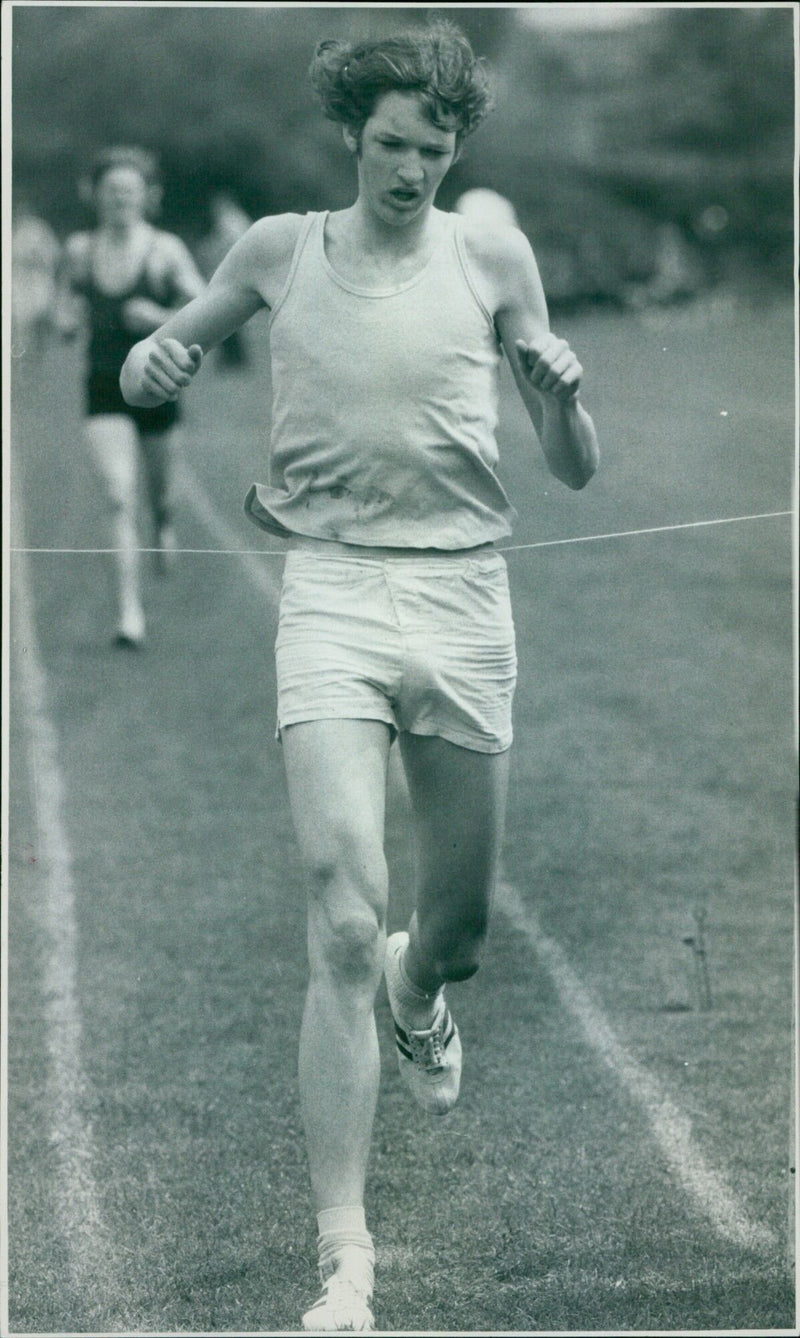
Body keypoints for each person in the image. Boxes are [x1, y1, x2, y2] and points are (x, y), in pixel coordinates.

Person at [121, 21, 599, 1331]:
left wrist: (559, 393)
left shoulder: (489, 253)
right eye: (390, 144)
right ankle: (348, 1260)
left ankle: (422, 988)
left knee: (452, 927)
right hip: (328, 589)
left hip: (463, 596)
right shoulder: (280, 249)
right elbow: (151, 351)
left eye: (433, 150)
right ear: (353, 135)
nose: (409, 170)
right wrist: (148, 357)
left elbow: (572, 462)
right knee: (339, 909)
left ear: (456, 150)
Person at [55, 146, 205, 647]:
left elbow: (206, 304)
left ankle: (164, 523)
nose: (121, 198)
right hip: (102, 384)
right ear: (94, 195)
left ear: (147, 197)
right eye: (111, 190)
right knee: (119, 496)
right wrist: (67, 319)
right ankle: (129, 615)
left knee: (160, 494)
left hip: (157, 383)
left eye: (130, 190)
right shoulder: (79, 250)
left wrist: (159, 319)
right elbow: (62, 313)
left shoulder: (164, 250)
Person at [195, 192, 253, 368]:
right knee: (229, 317)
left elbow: (229, 245)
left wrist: (207, 251)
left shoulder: (231, 221)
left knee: (227, 317)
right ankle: (233, 358)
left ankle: (234, 358)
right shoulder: (236, 219)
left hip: (232, 275)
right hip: (232, 274)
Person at [11, 196, 61, 358]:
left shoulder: (40, 229)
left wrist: (38, 258)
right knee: (22, 316)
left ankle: (41, 349)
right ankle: (23, 350)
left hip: (39, 278)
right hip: (20, 280)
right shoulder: (14, 229)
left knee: (41, 312)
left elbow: (52, 253)